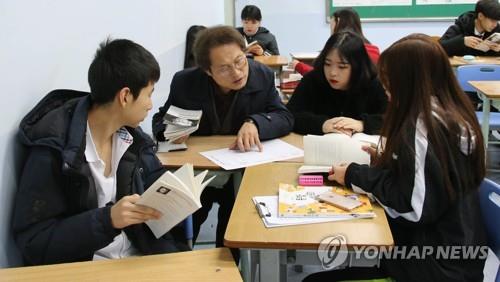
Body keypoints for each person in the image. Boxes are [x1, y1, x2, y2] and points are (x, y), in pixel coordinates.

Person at [305, 34, 487, 281]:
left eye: (390, 82)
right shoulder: (451, 112)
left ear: (410, 82)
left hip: (432, 269)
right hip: (452, 256)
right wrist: (392, 160)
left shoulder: (423, 126)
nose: (386, 90)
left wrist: (353, 174)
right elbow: (431, 180)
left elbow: (413, 207)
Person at [13, 39, 189, 266]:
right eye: (148, 94)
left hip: (139, 259)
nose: (150, 105)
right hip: (88, 270)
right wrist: (108, 220)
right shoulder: (54, 149)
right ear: (125, 96)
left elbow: (157, 189)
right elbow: (34, 242)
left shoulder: (134, 139)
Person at [152, 26, 293, 251]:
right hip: (200, 172)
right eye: (225, 69)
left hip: (242, 171)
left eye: (240, 61)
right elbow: (160, 120)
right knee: (179, 235)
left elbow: (284, 116)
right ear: (208, 71)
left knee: (232, 236)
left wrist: (255, 122)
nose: (237, 73)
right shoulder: (185, 82)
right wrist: (171, 131)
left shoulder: (262, 75)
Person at [286, 30, 387, 136]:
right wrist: (322, 124)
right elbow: (289, 115)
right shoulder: (312, 79)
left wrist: (363, 124)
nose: (332, 73)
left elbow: (394, 120)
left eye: (342, 66)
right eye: (327, 64)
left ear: (357, 66)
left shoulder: (374, 83)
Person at [291, 8, 380, 75]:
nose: (331, 29)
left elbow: (320, 76)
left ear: (338, 21)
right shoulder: (374, 49)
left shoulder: (341, 50)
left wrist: (298, 65)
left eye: (331, 25)